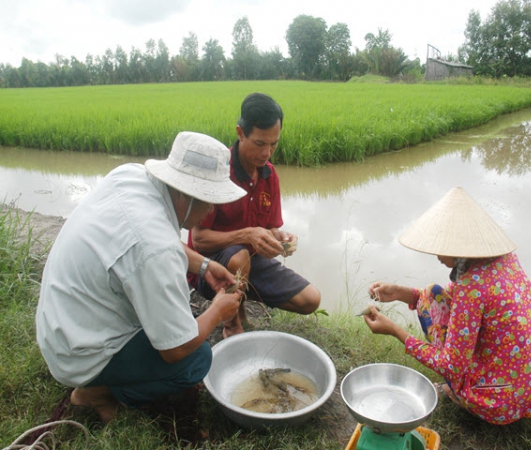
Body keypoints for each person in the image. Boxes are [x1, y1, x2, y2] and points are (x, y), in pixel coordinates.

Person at [36, 131, 247, 423]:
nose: (212, 210)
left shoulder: (132, 177)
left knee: (173, 311)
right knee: (196, 359)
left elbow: (147, 239)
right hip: (80, 351)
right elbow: (176, 349)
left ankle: (101, 378)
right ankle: (96, 392)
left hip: (61, 324)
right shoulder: (154, 248)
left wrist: (204, 265)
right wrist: (217, 311)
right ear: (185, 194)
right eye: (209, 201)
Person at [363, 187, 531, 425]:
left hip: (500, 402)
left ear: (459, 250)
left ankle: (461, 393)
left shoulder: (472, 286)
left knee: (453, 366)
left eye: (442, 248)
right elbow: (450, 299)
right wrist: (399, 293)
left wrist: (395, 331)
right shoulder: (503, 260)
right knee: (431, 293)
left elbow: (451, 365)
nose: (437, 255)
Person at [185, 93, 321, 338]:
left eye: (274, 144)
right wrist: (247, 234)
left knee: (311, 300)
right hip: (210, 268)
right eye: (260, 143)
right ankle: (231, 323)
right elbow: (199, 240)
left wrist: (280, 238)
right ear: (240, 133)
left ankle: (244, 295)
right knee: (239, 256)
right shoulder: (218, 172)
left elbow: (270, 228)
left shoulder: (269, 175)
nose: (267, 152)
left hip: (250, 263)